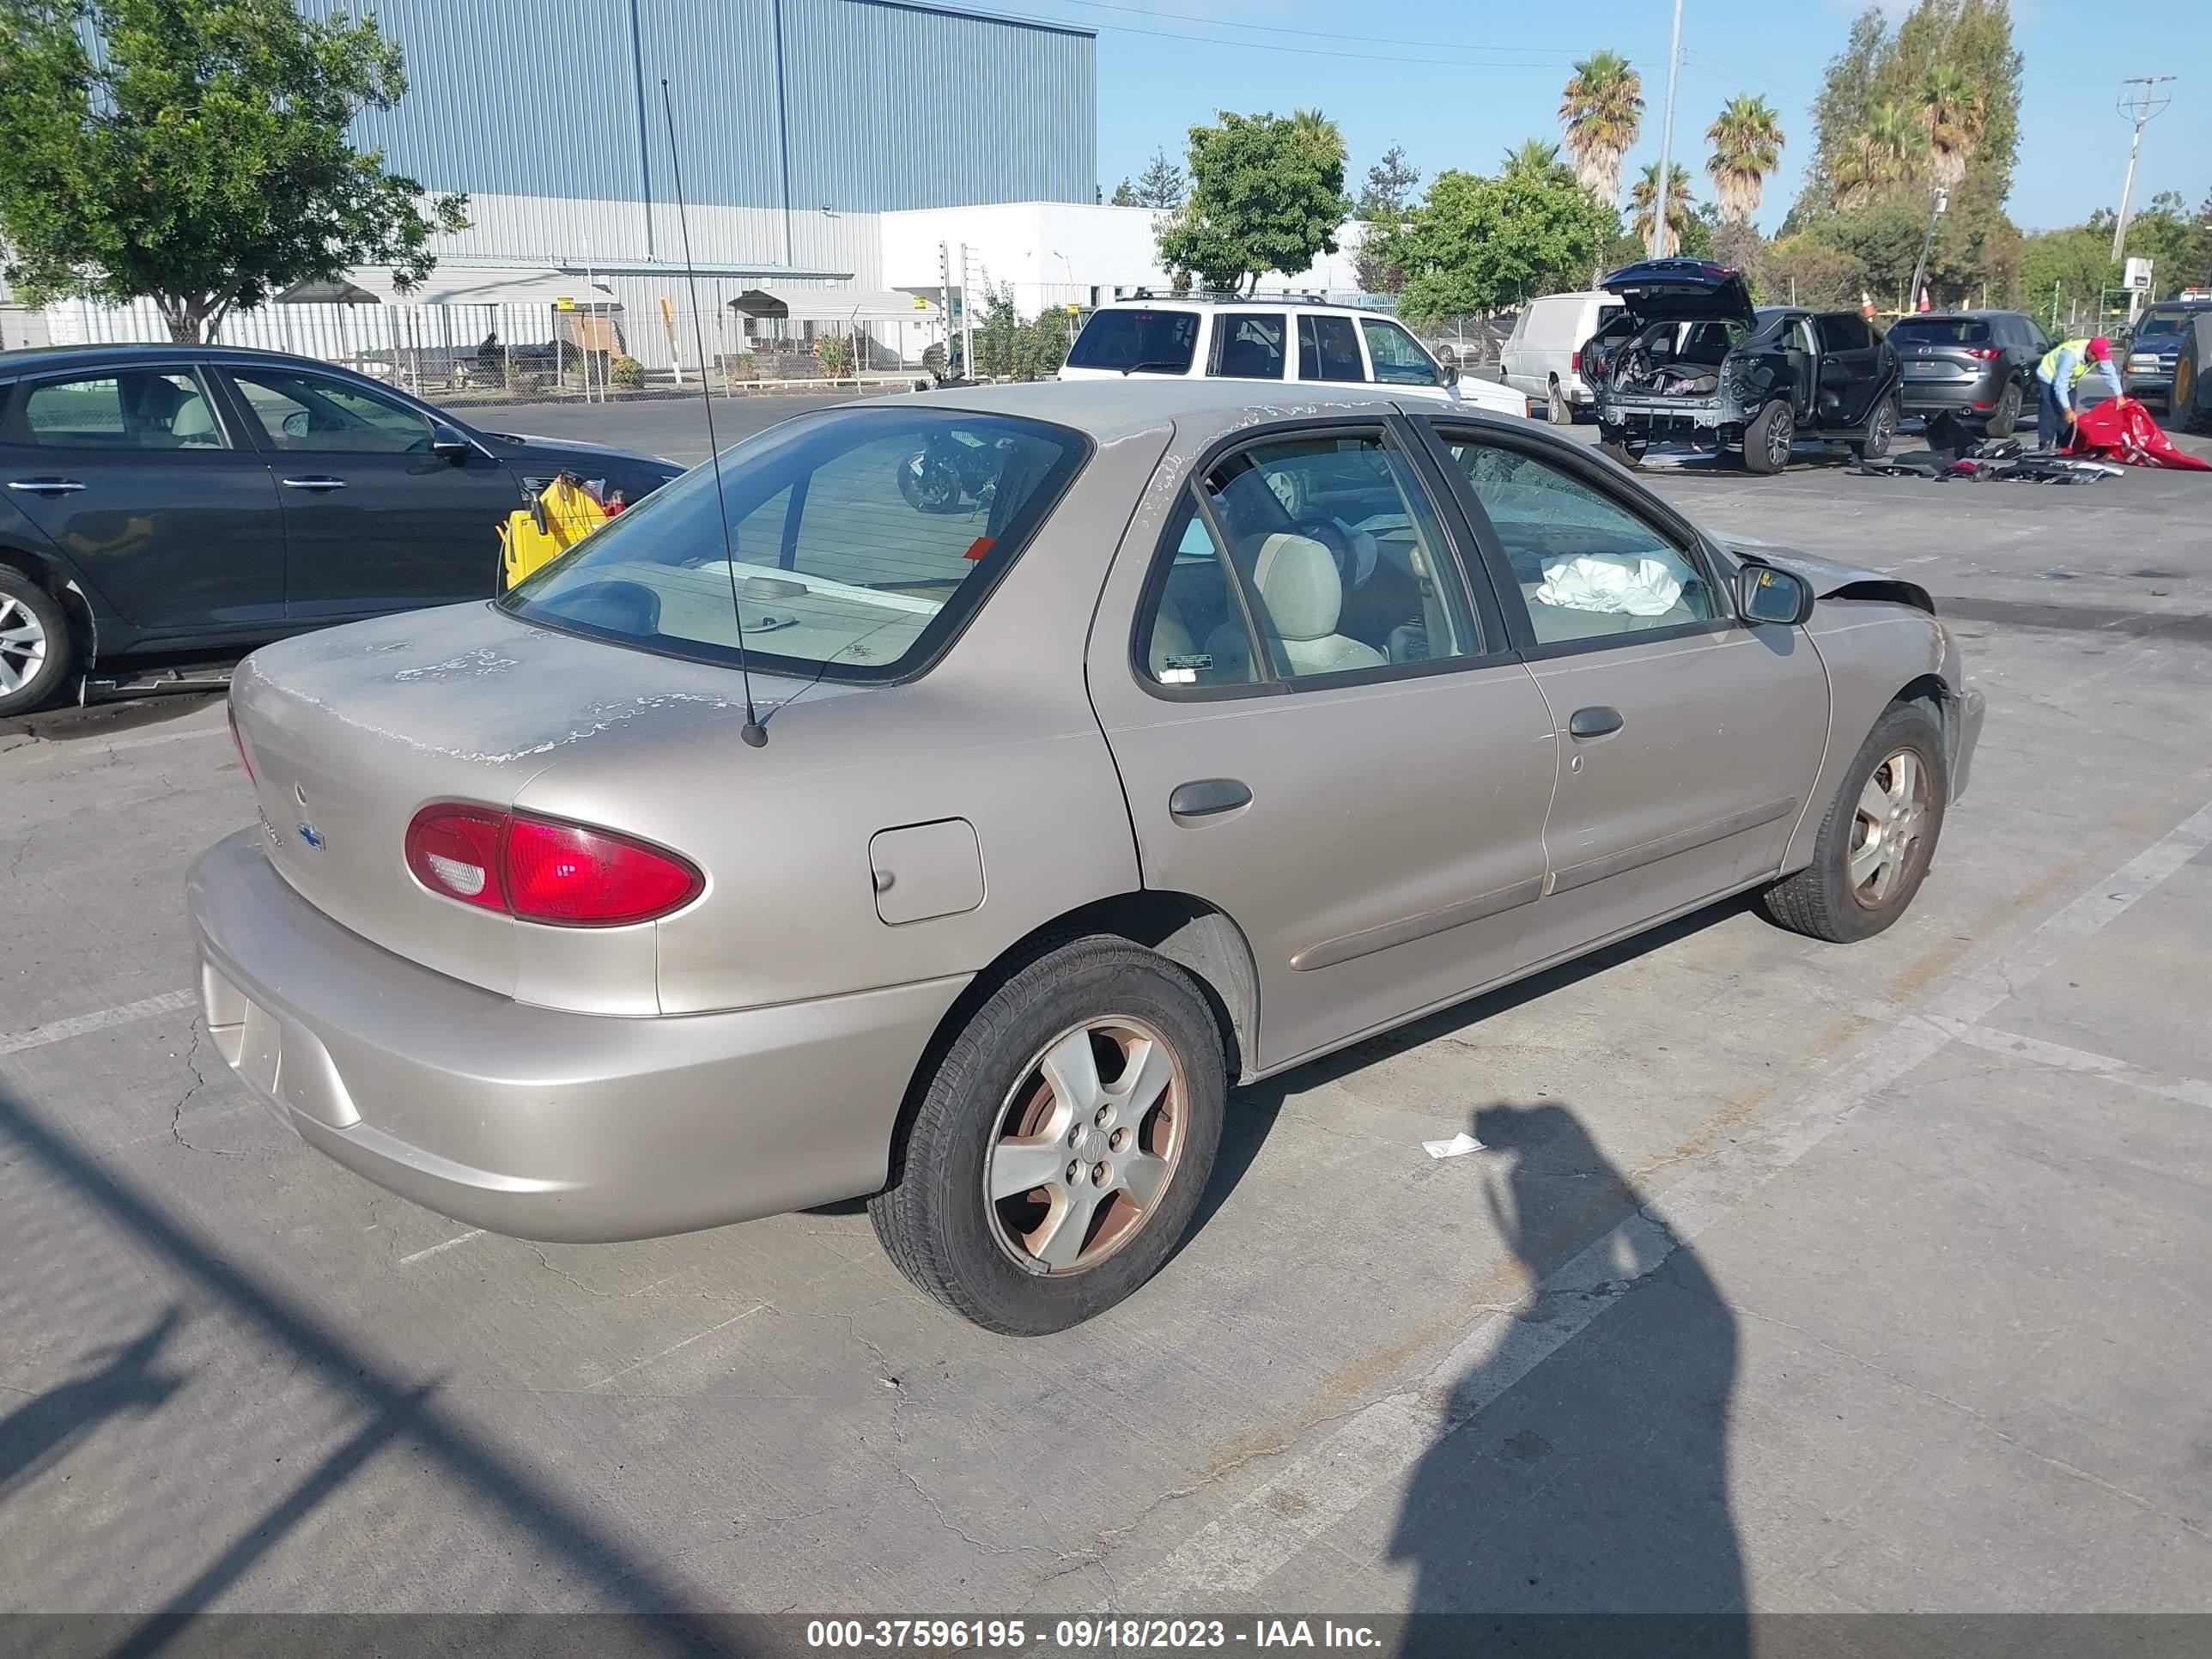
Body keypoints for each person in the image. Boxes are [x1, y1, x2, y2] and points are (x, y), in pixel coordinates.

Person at [2035, 335, 2124, 450]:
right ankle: (2045, 444)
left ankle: (2063, 447)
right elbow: (2060, 386)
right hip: (2048, 376)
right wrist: (2067, 410)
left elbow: (2110, 373)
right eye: (2097, 357)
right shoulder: (2070, 356)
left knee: (2069, 418)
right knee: (2050, 412)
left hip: (2069, 383)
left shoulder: (2098, 350)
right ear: (2089, 352)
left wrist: (2119, 395)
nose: (2099, 360)